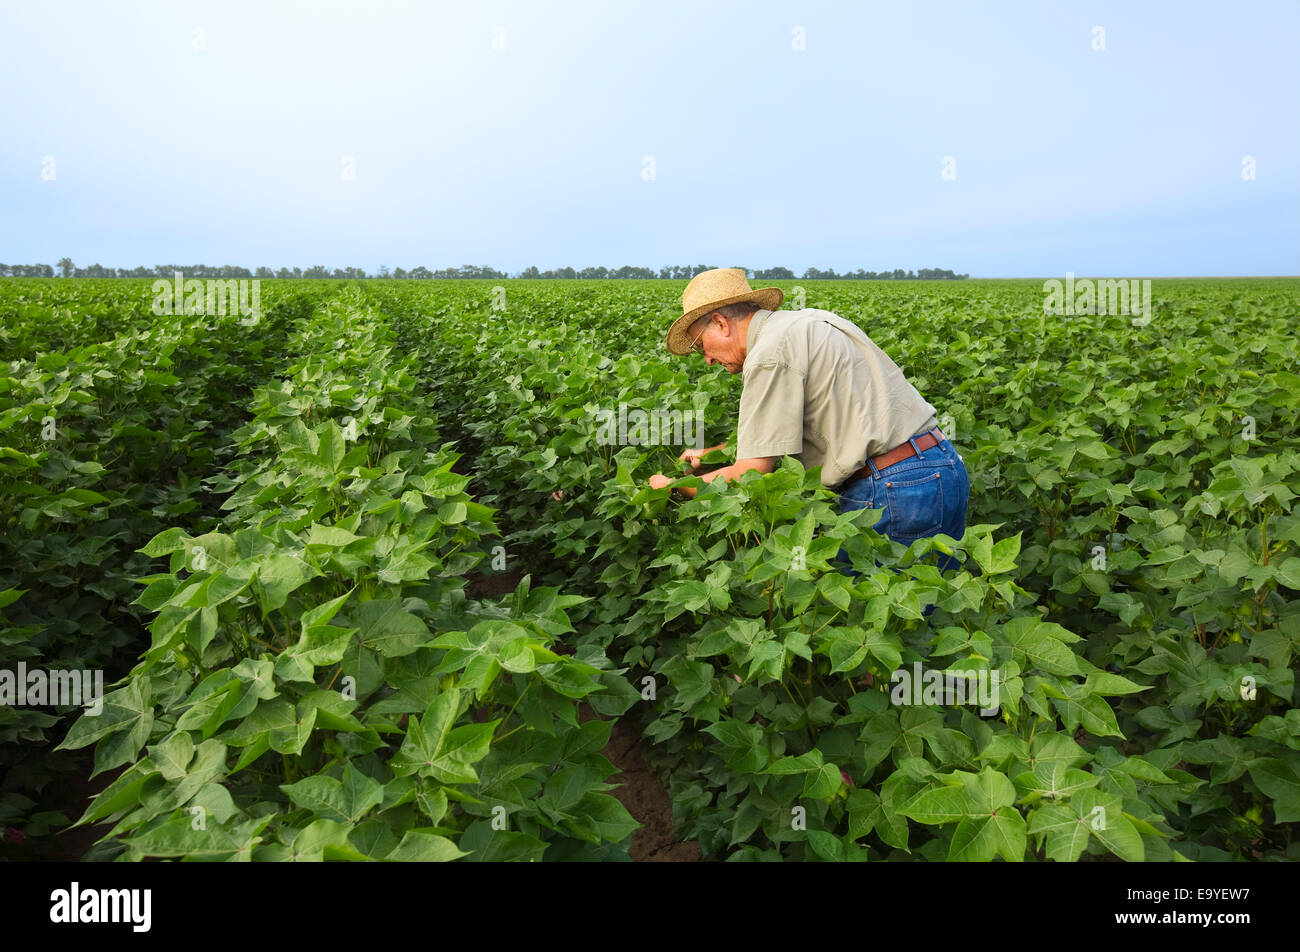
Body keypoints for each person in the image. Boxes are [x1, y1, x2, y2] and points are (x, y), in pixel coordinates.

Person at [648, 268, 969, 576]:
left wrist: (675, 488)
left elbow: (751, 475)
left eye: (700, 345)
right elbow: (810, 426)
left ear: (720, 323)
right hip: (942, 468)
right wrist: (716, 453)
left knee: (882, 618)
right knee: (930, 603)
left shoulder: (768, 354)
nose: (706, 358)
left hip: (895, 490)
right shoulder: (809, 322)